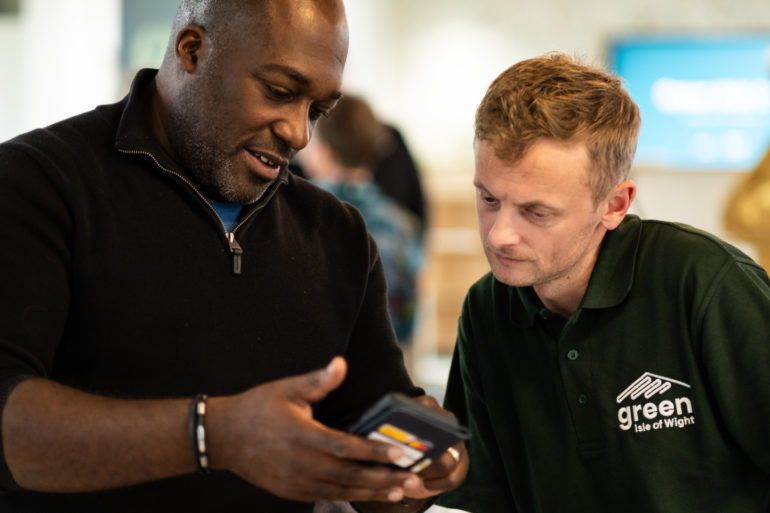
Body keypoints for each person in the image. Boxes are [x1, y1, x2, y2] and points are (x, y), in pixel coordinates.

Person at [0, 1, 467, 511]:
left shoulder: (339, 235)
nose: (299, 133)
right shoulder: (37, 184)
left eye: (317, 110)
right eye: (280, 92)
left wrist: (422, 459)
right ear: (192, 50)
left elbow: (376, 436)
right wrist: (212, 436)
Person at [435, 52, 770, 512]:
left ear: (615, 205)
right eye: (489, 199)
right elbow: (487, 498)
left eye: (537, 212)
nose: (499, 235)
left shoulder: (704, 283)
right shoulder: (486, 309)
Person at [298, 95, 423, 347]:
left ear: (325, 153)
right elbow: (409, 317)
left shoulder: (294, 214)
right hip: (385, 366)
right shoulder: (402, 224)